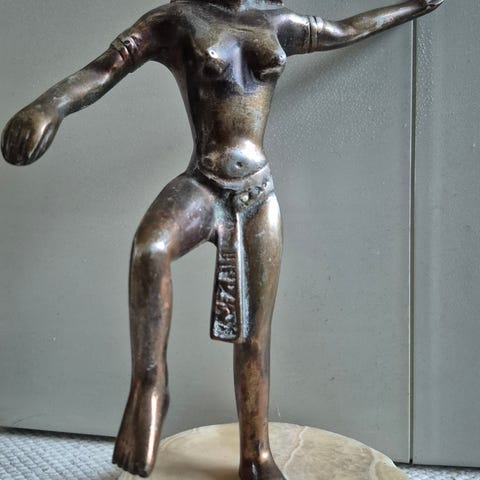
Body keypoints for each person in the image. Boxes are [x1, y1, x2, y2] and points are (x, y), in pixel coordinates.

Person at [1, 0, 444, 478]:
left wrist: (413, 5)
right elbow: (107, 67)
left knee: (254, 338)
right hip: (203, 183)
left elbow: (346, 30)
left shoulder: (277, 21)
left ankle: (257, 455)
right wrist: (49, 106)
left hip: (257, 193)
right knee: (150, 249)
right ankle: (150, 384)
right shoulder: (179, 19)